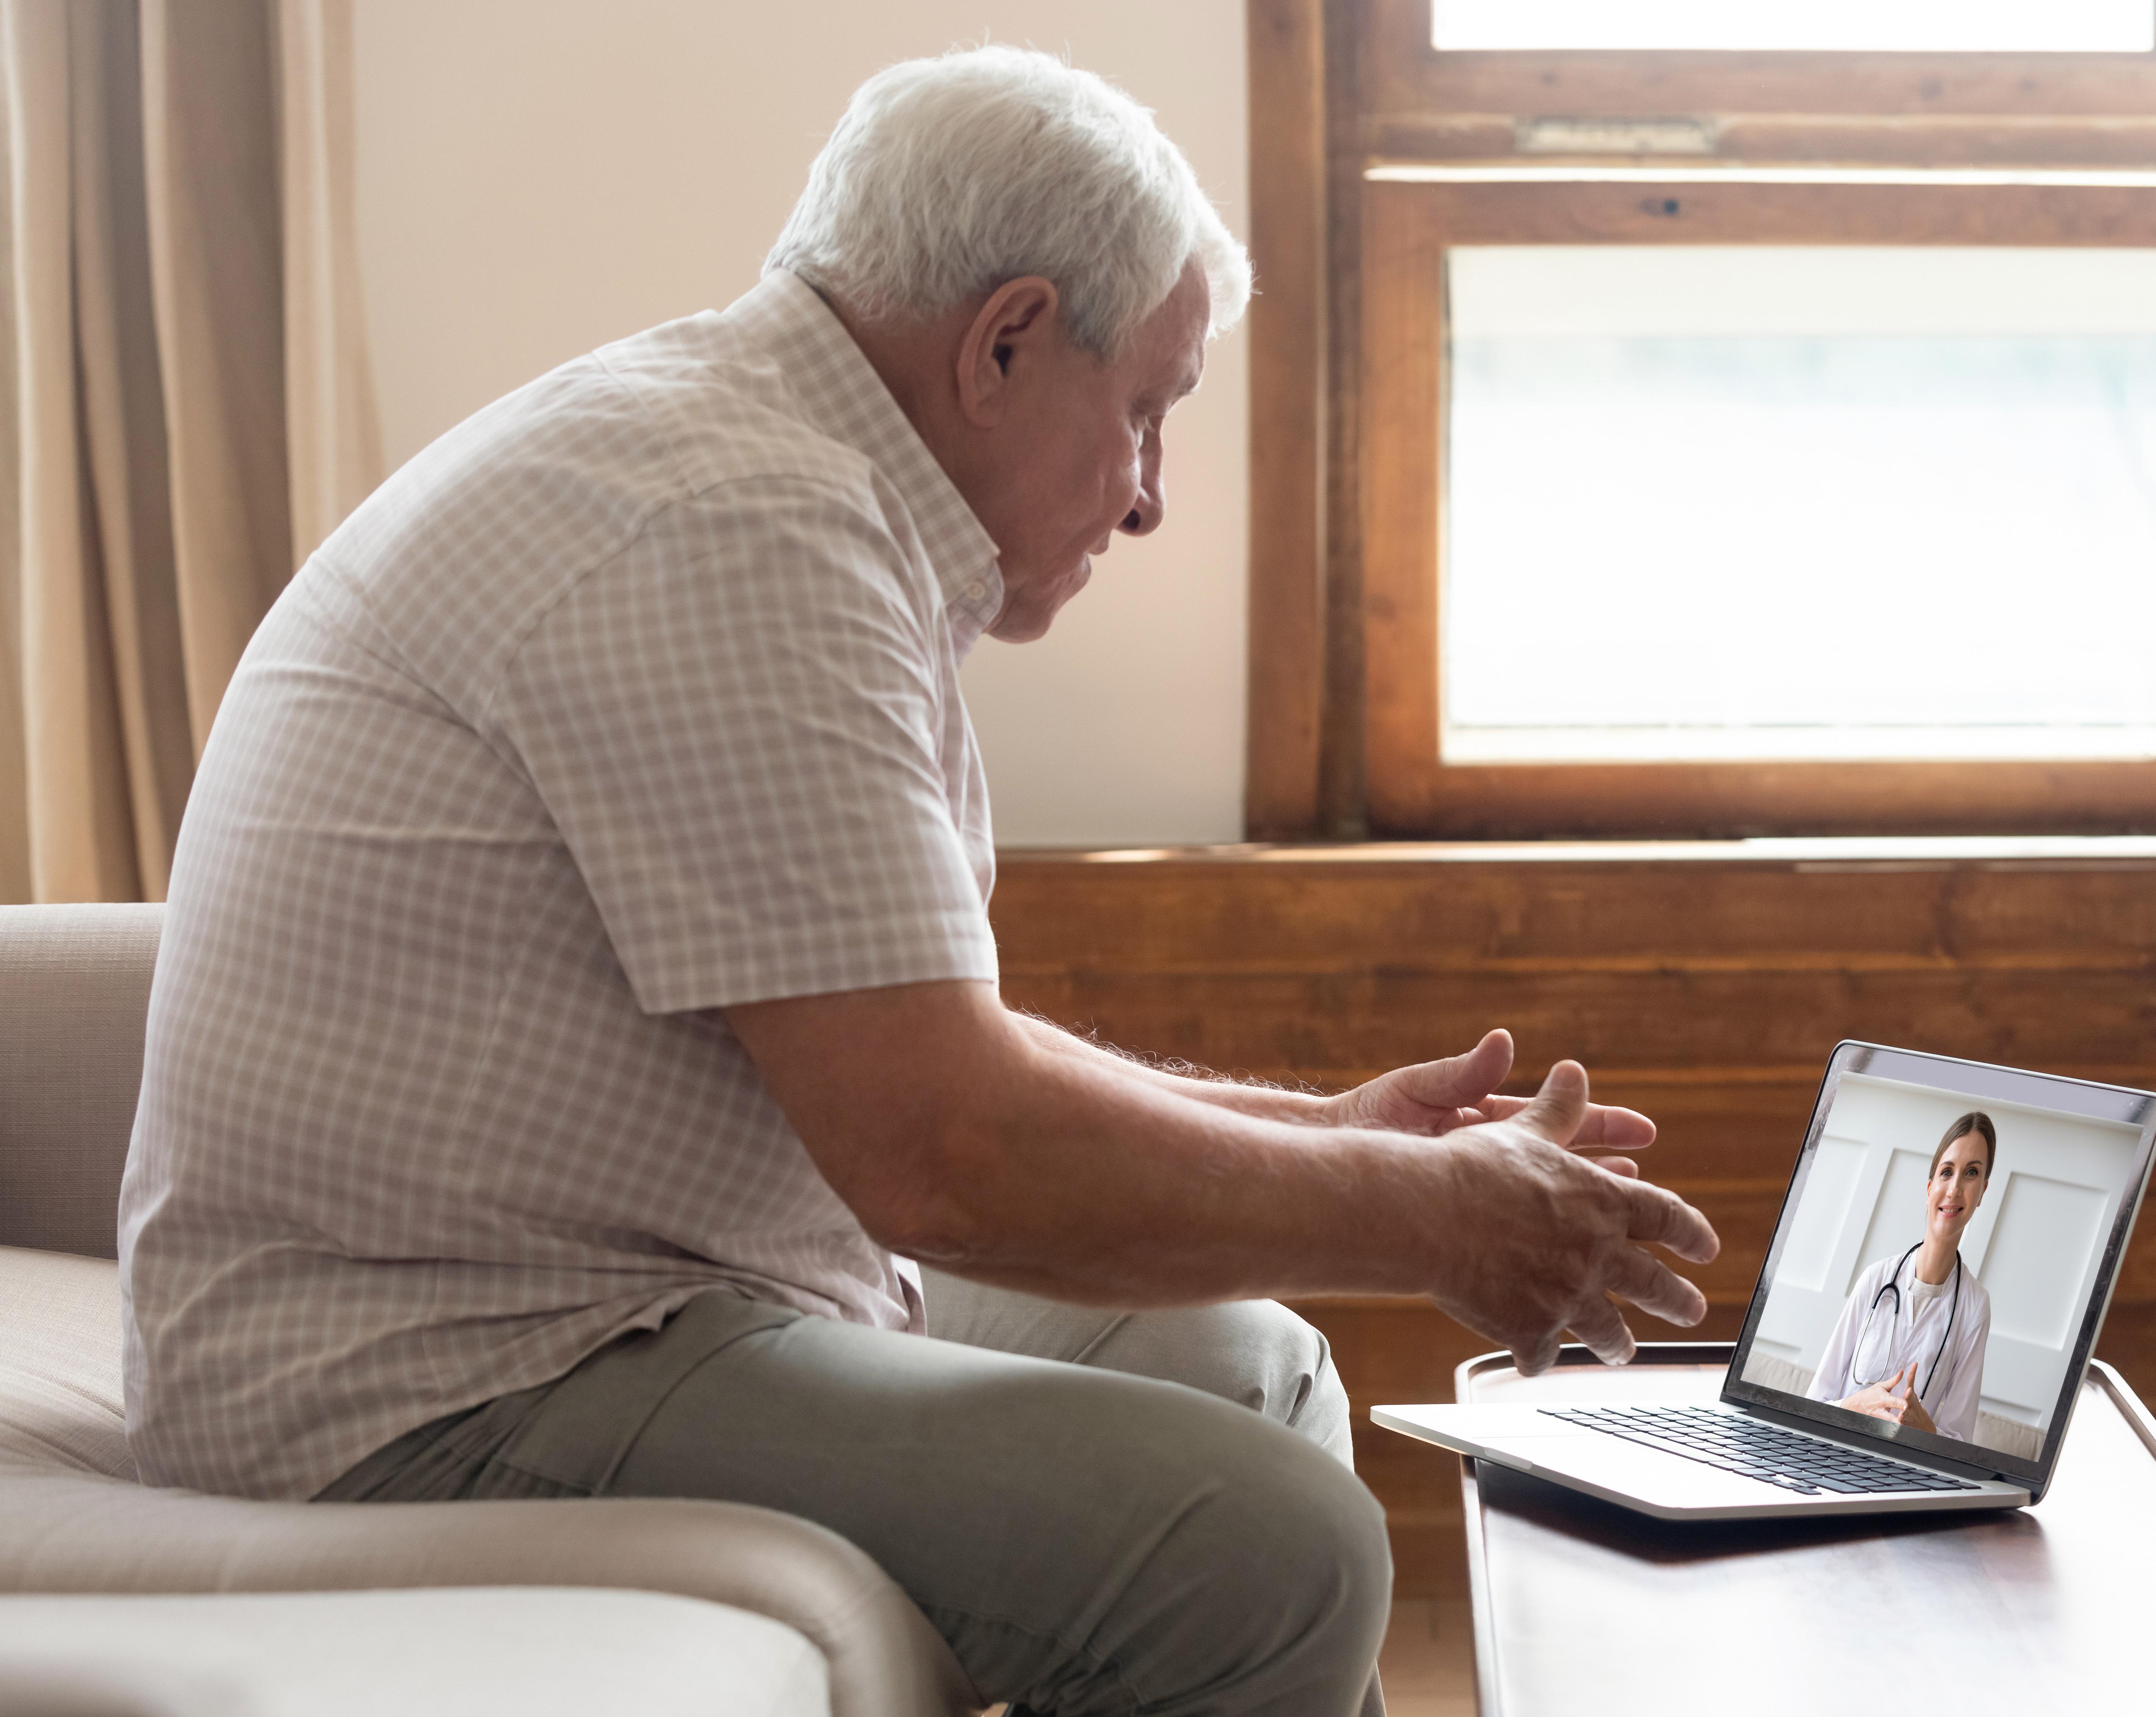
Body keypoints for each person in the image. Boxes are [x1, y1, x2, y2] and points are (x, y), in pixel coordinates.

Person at [116, 43, 1718, 1717]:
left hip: (614, 1281)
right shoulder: (737, 529)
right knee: (1270, 1552)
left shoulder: (761, 471)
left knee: (1247, 1368)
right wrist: (1441, 1216)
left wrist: (1334, 1137)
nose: (1152, 494)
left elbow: (940, 1057)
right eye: (1150, 409)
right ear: (1005, 339)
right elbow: (946, 1157)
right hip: (433, 1383)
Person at [1806, 1112, 1996, 1443]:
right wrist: (1855, 1406)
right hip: (1832, 1453)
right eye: (1947, 1172)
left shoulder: (1975, 1306)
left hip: (1901, 1476)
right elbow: (1814, 1404)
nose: (1954, 1189)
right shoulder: (1875, 1279)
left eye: (1972, 1174)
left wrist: (1926, 1431)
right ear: (1929, 1188)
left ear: (1982, 1193)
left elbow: (1959, 1441)